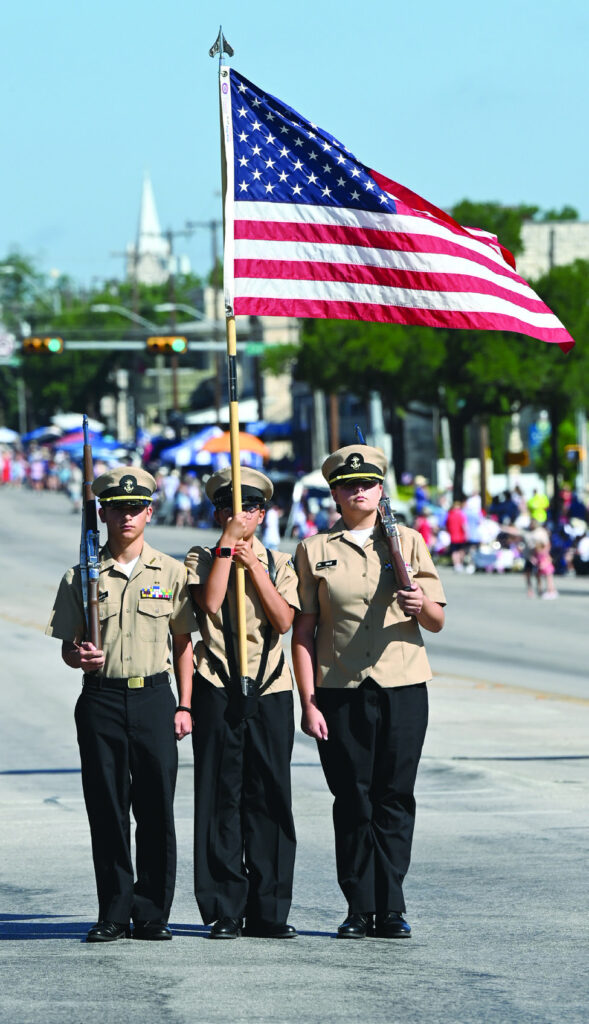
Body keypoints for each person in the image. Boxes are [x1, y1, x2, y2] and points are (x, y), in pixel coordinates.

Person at [292, 444, 446, 940]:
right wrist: (308, 699)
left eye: (368, 483)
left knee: (394, 796)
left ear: (381, 490)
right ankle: (359, 906)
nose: (359, 491)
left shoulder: (408, 543)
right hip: (340, 688)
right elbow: (303, 632)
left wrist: (420, 601)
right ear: (335, 492)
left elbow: (438, 621)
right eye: (348, 485)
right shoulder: (315, 550)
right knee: (352, 798)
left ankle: (392, 905)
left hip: (402, 683)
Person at [46, 466, 196, 943]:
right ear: (103, 513)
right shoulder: (81, 575)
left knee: (157, 810)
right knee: (108, 809)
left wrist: (185, 704)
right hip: (102, 699)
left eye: (136, 508)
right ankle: (113, 910)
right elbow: (68, 648)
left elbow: (183, 643)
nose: (127, 516)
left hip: (154, 696)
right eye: (117, 508)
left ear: (149, 512)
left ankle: (152, 913)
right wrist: (78, 655)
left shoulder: (172, 572)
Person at [185, 467, 299, 940]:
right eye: (230, 509)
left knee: (269, 797)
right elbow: (209, 605)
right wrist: (227, 549)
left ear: (263, 514)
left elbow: (284, 619)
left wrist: (254, 567)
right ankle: (225, 907)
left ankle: (269, 909)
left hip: (270, 686)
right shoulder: (200, 556)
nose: (241, 516)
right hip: (217, 681)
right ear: (217, 513)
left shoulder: (279, 561)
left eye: (250, 509)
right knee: (220, 796)